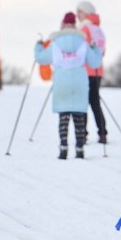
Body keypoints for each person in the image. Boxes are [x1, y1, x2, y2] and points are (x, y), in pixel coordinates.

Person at [34, 12, 102, 159]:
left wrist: (38, 46)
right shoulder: (83, 42)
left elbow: (41, 58)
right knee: (79, 116)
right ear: (75, 24)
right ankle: (79, 147)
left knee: (63, 116)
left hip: (62, 80)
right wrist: (96, 49)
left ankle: (63, 146)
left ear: (63, 24)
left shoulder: (55, 42)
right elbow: (95, 62)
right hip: (79, 81)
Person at [76, 1, 108, 144]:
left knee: (83, 101)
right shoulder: (98, 29)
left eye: (80, 11)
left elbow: (80, 48)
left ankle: (82, 133)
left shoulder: (84, 28)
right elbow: (103, 51)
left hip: (85, 69)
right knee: (95, 102)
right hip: (97, 70)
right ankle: (102, 132)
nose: (77, 14)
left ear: (87, 13)